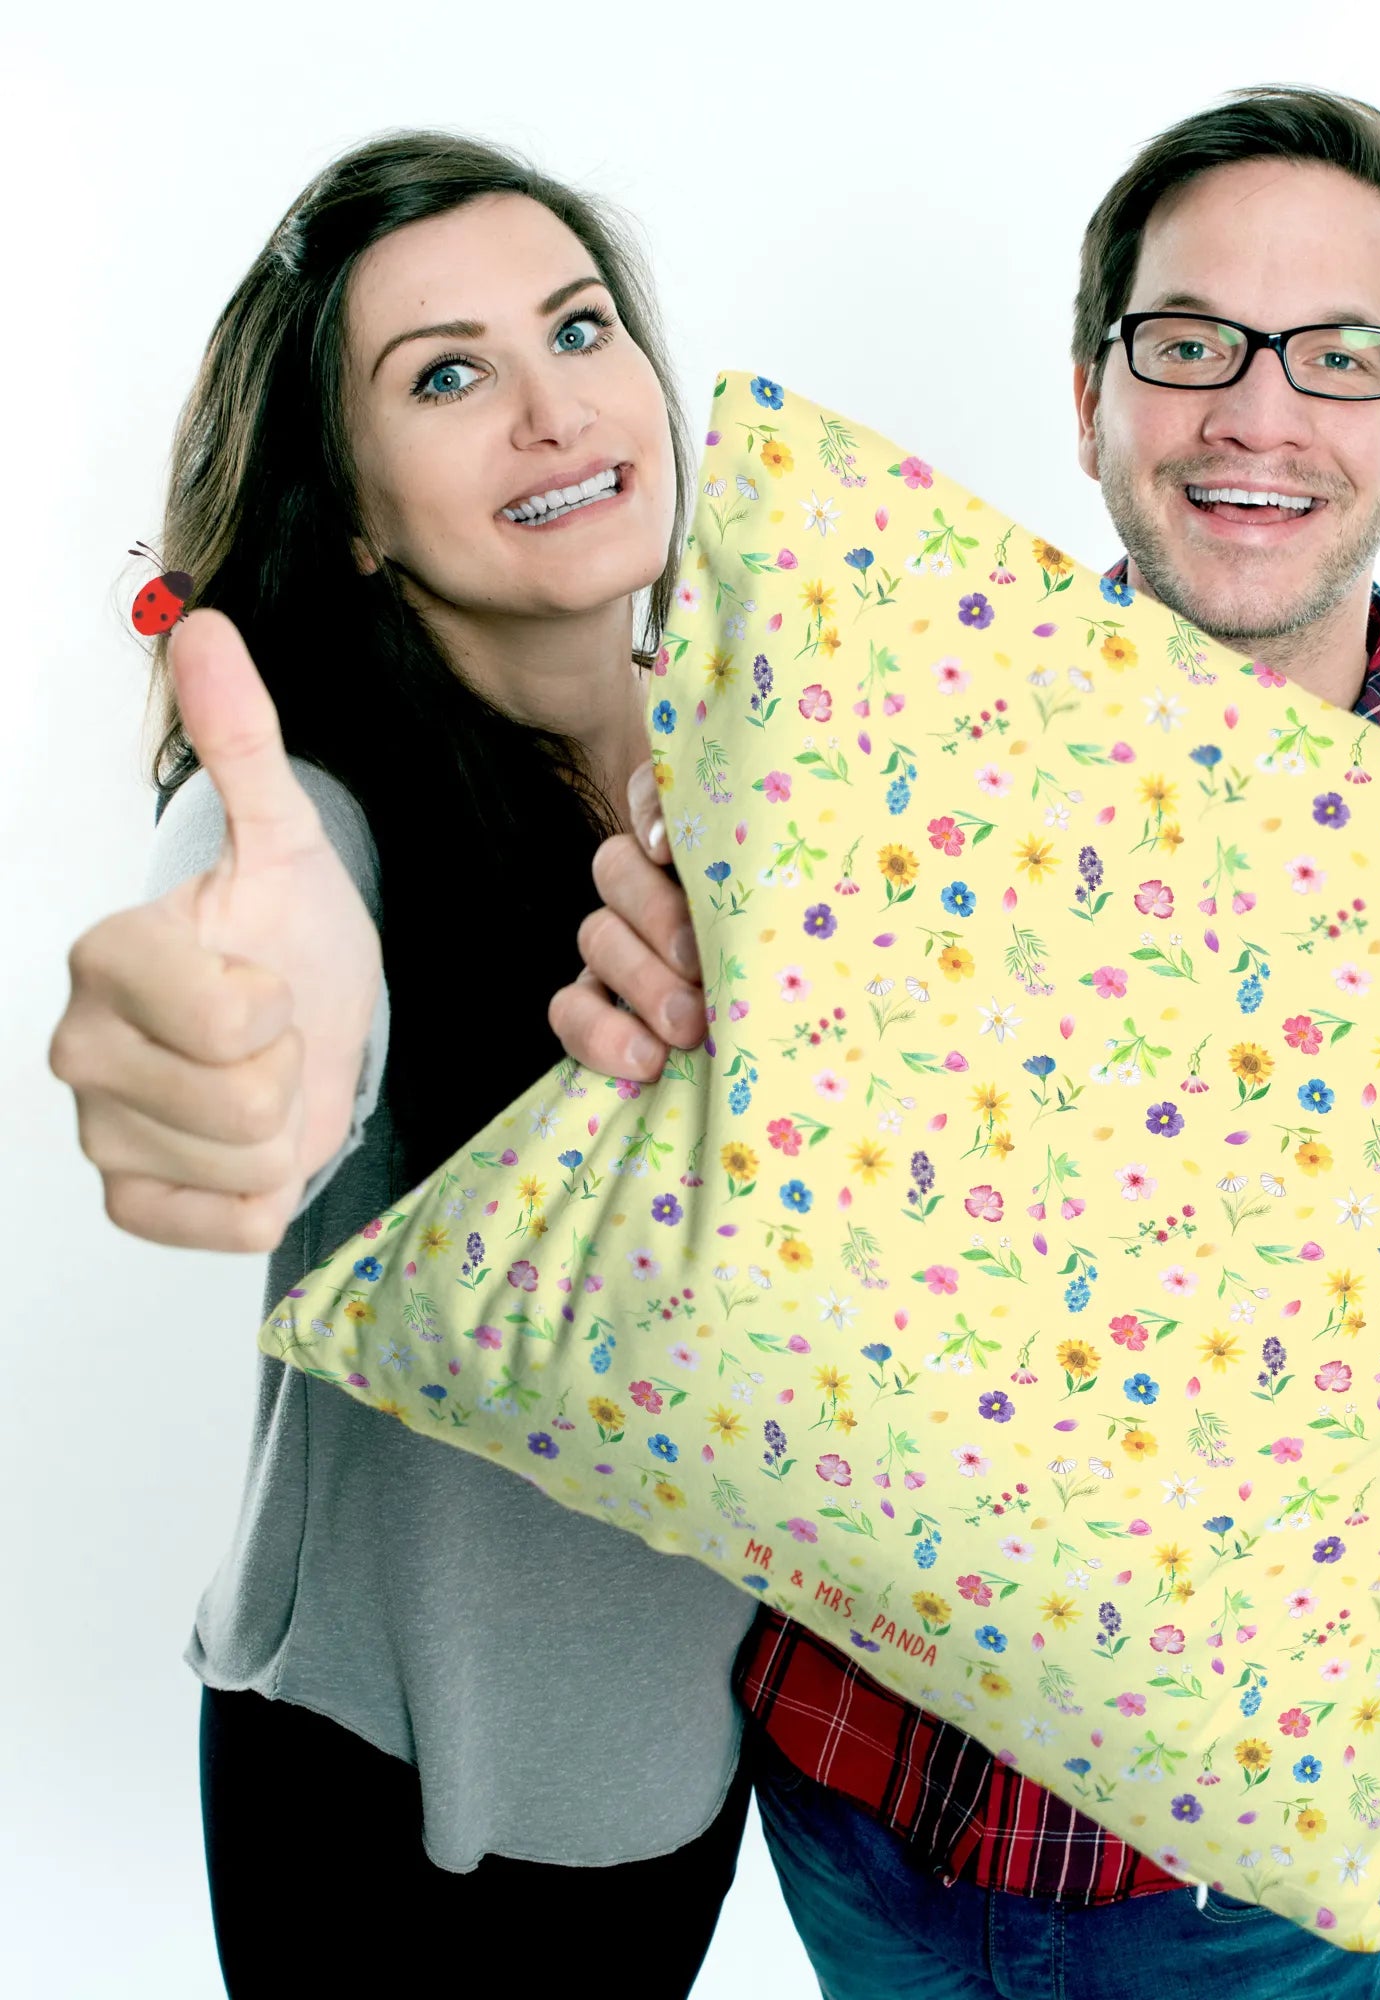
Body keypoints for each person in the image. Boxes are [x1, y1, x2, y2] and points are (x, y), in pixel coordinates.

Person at [553, 87, 1380, 1998]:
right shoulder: (871, 747)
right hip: (836, 1798)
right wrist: (657, 1024)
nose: (1259, 412)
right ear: (1091, 396)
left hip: (1220, 1895)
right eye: (1191, 344)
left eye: (1342, 355)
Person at [47, 134, 744, 1997]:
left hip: (687, 1774)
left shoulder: (760, 776)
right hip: (394, 1810)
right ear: (353, 514)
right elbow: (261, 941)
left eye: (578, 329)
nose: (551, 409)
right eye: (445, 376)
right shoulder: (320, 812)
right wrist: (230, 1037)